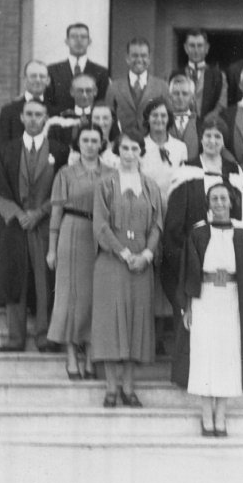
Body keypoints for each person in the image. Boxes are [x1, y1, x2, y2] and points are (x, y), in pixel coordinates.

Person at [172, 183, 243, 437]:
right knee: (204, 355)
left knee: (227, 356)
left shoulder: (242, 235)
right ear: (208, 204)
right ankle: (206, 414)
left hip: (231, 300)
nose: (219, 203)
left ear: (231, 203)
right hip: (204, 300)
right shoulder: (197, 234)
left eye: (223, 199)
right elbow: (188, 273)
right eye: (214, 199)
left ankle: (221, 414)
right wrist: (187, 307)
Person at [91, 132, 163, 408]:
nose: (130, 153)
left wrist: (146, 254)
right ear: (117, 151)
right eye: (125, 148)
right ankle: (111, 388)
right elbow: (100, 223)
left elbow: (157, 225)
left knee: (136, 323)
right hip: (112, 261)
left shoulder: (150, 186)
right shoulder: (105, 184)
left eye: (135, 148)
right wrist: (122, 252)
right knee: (111, 323)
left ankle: (129, 387)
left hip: (141, 264)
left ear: (141, 152)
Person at [0, 98, 67, 352]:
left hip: (45, 225)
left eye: (39, 115)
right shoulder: (7, 151)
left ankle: (45, 335)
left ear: (45, 119)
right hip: (15, 226)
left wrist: (40, 212)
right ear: (22, 118)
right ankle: (16, 337)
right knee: (15, 279)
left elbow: (61, 190)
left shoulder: (59, 150)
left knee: (45, 280)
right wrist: (17, 214)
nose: (34, 119)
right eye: (29, 114)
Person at [162, 116, 243, 322]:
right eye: (208, 136)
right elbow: (174, 226)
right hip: (192, 261)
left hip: (227, 262)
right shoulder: (187, 171)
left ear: (224, 141)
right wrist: (185, 263)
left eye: (217, 136)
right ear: (200, 139)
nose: (212, 141)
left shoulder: (234, 172)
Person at [46, 125, 114, 379]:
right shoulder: (66, 173)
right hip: (73, 232)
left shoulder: (111, 173)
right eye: (85, 140)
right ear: (78, 144)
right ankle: (72, 354)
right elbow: (56, 213)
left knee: (95, 296)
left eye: (94, 140)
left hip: (101, 234)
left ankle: (91, 351)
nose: (89, 145)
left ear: (101, 143)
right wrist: (52, 249)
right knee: (70, 297)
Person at [0, 59, 51, 307]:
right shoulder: (10, 111)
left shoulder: (53, 109)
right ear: (25, 78)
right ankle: (7, 301)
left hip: (41, 193)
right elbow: (0, 152)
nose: (38, 80)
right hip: (12, 189)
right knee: (9, 249)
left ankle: (34, 304)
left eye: (42, 76)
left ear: (48, 80)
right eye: (33, 76)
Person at [139, 97, 188, 349]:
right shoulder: (141, 146)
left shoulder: (179, 147)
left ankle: (162, 331)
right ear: (147, 119)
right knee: (150, 272)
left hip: (172, 216)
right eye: (154, 116)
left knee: (168, 272)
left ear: (169, 119)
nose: (159, 120)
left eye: (163, 116)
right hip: (146, 214)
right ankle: (150, 335)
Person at [105, 37, 170, 138]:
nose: (139, 60)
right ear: (127, 58)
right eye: (134, 56)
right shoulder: (114, 87)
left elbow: (168, 119)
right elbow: (108, 118)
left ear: (149, 58)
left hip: (152, 143)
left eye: (143, 56)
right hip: (124, 145)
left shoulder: (162, 86)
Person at [46, 22, 110, 113]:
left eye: (83, 37)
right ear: (66, 41)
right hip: (60, 122)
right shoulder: (52, 71)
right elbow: (49, 102)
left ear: (89, 41)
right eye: (74, 37)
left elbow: (102, 102)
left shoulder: (101, 72)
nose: (79, 40)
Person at [179, 29, 227, 119]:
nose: (196, 50)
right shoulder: (176, 75)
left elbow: (222, 104)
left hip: (209, 127)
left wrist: (207, 121)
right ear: (185, 48)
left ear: (207, 48)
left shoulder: (219, 76)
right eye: (192, 46)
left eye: (200, 46)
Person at [45, 73, 98, 148]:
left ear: (95, 91)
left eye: (88, 91)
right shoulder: (60, 118)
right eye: (80, 91)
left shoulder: (102, 117)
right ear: (72, 92)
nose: (84, 95)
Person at [167, 73, 202, 161]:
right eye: (176, 93)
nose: (180, 98)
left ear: (192, 98)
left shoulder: (200, 123)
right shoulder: (163, 122)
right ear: (170, 97)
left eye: (185, 94)